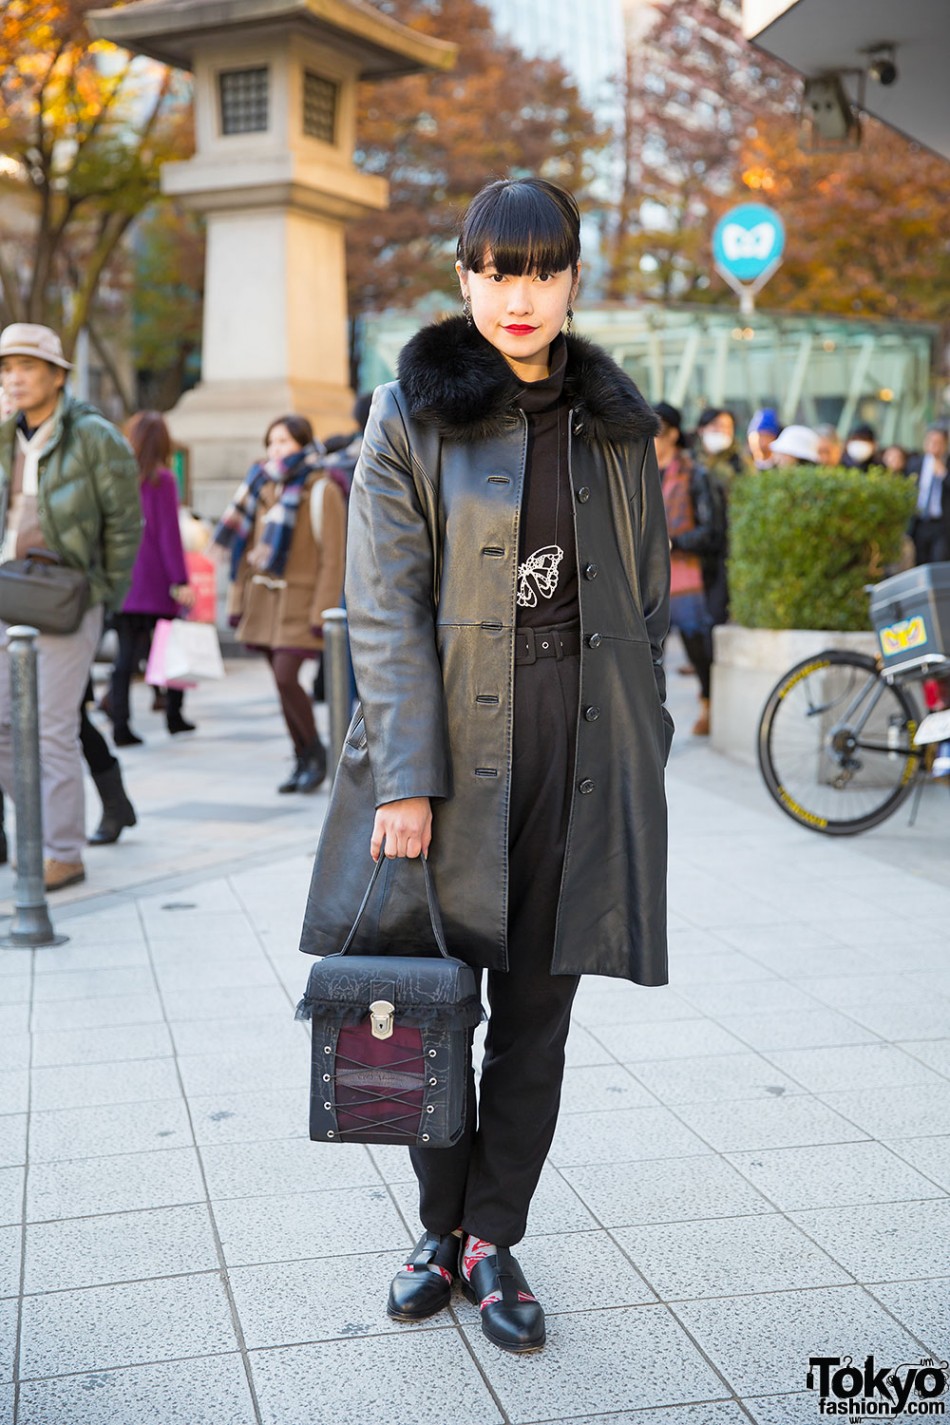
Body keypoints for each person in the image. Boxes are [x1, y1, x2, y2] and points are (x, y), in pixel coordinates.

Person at [299, 177, 673, 1353]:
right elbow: (384, 608)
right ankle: (433, 1223)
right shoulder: (408, 414)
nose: (520, 295)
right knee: (431, 1002)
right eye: (497, 270)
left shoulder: (616, 428)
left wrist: (642, 731)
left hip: (583, 748)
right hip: (453, 753)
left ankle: (489, 1238)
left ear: (573, 279)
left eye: (542, 269)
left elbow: (649, 596)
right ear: (465, 278)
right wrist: (404, 778)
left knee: (537, 1014)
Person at [0, 323, 141, 890]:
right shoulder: (7, 434)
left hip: (66, 598)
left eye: (27, 367)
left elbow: (126, 526)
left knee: (54, 726)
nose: (15, 378)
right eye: (7, 369)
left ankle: (65, 851)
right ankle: (34, 829)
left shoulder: (94, 436)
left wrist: (102, 599)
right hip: (8, 589)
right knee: (5, 726)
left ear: (58, 376)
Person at [215, 415, 345, 794]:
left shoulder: (323, 490)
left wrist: (322, 611)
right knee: (280, 683)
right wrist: (238, 601)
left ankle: (316, 754)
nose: (276, 450)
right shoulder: (262, 487)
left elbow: (334, 557)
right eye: (271, 443)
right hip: (265, 603)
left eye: (285, 442)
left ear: (304, 444)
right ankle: (303, 755)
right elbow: (242, 550)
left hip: (301, 603)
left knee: (287, 677)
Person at [108, 411, 196, 745]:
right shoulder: (163, 479)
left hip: (125, 581)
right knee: (170, 648)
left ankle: (121, 726)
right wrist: (181, 579)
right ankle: (173, 717)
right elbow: (168, 536)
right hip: (156, 580)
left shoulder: (118, 478)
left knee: (125, 658)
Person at [654, 401, 719, 736]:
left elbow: (711, 531)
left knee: (697, 648)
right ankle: (651, 718)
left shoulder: (695, 474)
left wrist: (674, 543)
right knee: (649, 655)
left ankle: (709, 705)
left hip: (687, 577)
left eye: (658, 431)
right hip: (648, 577)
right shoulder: (640, 471)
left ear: (674, 434)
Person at [692, 405, 749, 625]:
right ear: (701, 429)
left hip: (726, 548)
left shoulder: (741, 465)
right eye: (715, 426)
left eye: (727, 427)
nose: (721, 432)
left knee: (717, 612)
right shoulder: (687, 464)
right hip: (692, 548)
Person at [907, 424, 950, 565]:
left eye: (938, 442)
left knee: (939, 562)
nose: (934, 445)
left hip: (941, 524)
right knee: (920, 562)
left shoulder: (947, 465)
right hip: (920, 522)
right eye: (931, 441)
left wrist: (944, 474)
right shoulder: (915, 464)